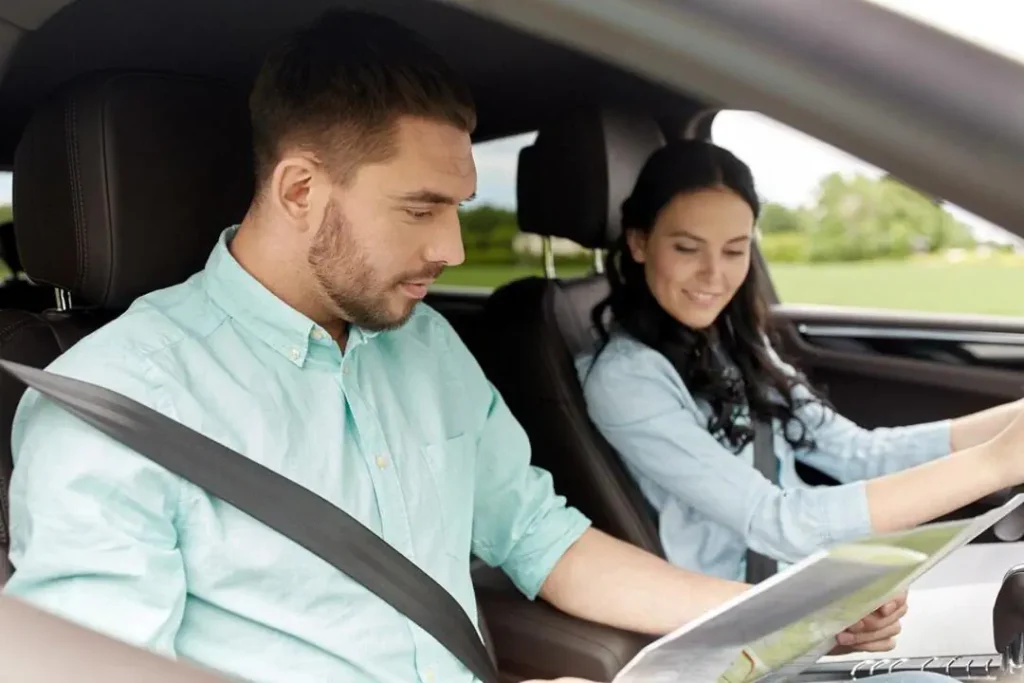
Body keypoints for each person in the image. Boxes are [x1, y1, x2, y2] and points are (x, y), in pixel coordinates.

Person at [0, 11, 950, 683]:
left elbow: (547, 543)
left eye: (459, 205)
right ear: (299, 191)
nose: (451, 249)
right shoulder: (115, 405)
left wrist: (784, 618)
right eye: (421, 208)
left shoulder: (426, 351)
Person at [577, 138, 1024, 586]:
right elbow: (777, 524)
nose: (714, 275)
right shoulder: (626, 379)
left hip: (817, 571)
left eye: (734, 251)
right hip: (754, 601)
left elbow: (858, 453)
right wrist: (992, 464)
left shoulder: (730, 339)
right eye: (687, 249)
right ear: (639, 242)